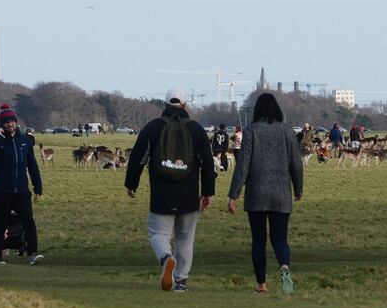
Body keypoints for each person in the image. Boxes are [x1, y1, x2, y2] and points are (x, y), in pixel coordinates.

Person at [125, 89, 215, 293]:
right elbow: (207, 163)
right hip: (189, 195)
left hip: (161, 194)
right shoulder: (196, 129)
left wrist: (131, 183)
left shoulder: (152, 128)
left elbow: (138, 158)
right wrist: (207, 192)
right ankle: (181, 281)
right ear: (185, 105)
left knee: (157, 233)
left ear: (164, 106)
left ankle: (166, 258)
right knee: (185, 238)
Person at [228, 93, 303, 296]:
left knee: (258, 241)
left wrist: (233, 194)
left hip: (256, 194)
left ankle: (261, 285)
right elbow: (296, 163)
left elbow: (242, 165)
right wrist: (298, 188)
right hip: (281, 193)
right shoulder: (287, 131)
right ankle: (284, 267)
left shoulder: (251, 130)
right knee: (280, 239)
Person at [0, 103, 44, 266]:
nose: (10, 124)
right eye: (6, 122)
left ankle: (33, 253)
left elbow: (32, 165)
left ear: (16, 122)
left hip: (22, 190)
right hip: (3, 190)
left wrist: (38, 187)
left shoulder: (25, 141)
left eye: (12, 121)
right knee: (1, 223)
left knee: (28, 221)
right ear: (2, 124)